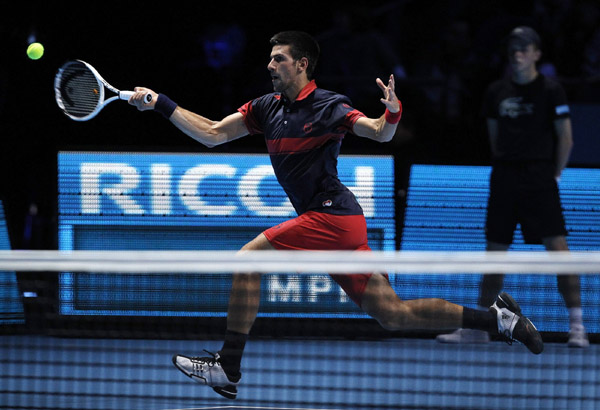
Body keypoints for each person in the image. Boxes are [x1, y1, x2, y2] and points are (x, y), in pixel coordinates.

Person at [129, 31, 543, 400]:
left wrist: (392, 112)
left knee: (249, 259)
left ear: (302, 64)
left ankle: (228, 366)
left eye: (279, 59)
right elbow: (213, 132)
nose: (270, 65)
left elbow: (379, 131)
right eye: (270, 58)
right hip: (337, 223)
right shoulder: (264, 108)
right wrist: (160, 104)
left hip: (332, 217)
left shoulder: (329, 106)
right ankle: (498, 320)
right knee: (393, 315)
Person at [437, 26, 589, 348]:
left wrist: (554, 175)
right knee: (494, 255)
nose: (517, 53)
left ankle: (578, 327)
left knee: (560, 254)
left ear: (536, 53)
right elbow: (495, 137)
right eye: (513, 48)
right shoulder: (495, 92)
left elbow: (566, 138)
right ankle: (479, 328)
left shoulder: (551, 91)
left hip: (540, 178)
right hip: (505, 178)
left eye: (524, 47)